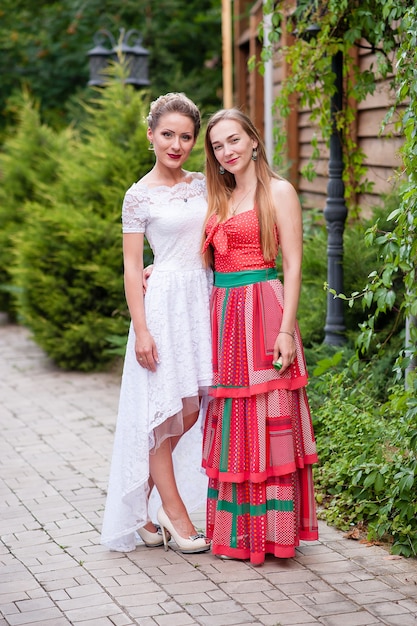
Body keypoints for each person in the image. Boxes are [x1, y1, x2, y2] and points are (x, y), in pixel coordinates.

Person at [201, 108, 318, 565]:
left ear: (253, 139)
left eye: (233, 140)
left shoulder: (280, 191)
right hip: (225, 316)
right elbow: (203, 262)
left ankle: (273, 535)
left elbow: (293, 264)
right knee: (234, 422)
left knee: (270, 421)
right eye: (217, 146)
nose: (226, 151)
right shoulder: (218, 196)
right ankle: (238, 535)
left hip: (265, 311)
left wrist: (286, 330)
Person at [101, 93, 212, 554]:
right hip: (163, 306)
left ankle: (145, 505)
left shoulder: (206, 184)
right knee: (164, 412)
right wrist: (141, 329)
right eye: (168, 134)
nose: (177, 144)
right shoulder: (138, 195)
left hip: (202, 300)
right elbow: (131, 266)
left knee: (191, 408)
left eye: (186, 136)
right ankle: (175, 513)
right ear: (151, 135)